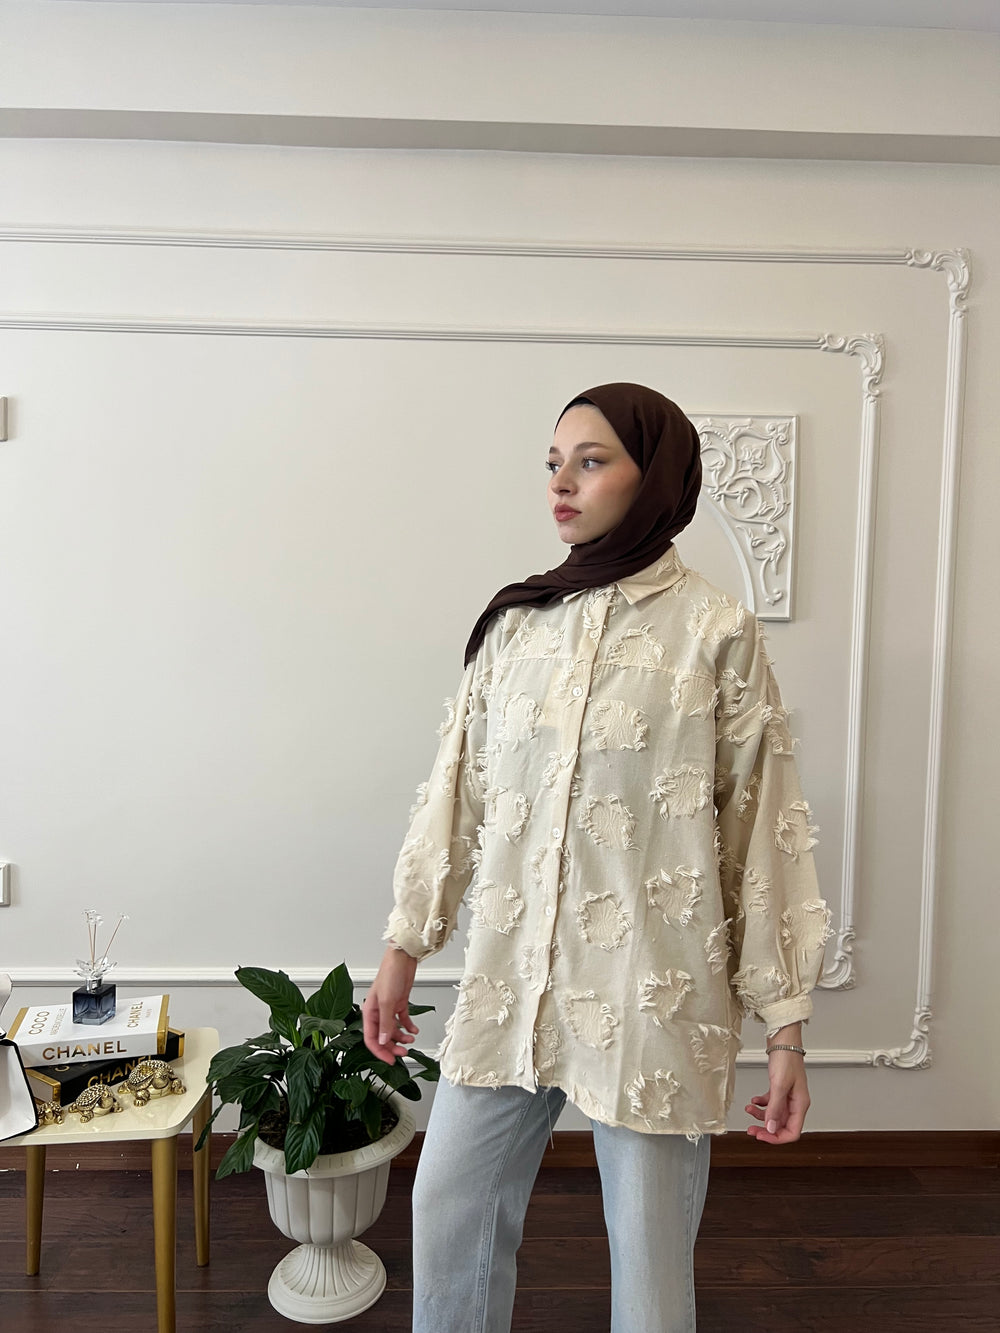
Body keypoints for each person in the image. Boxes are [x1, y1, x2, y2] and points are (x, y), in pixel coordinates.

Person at [363, 382, 831, 1333]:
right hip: (511, 981)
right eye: (553, 462)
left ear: (652, 475)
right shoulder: (516, 624)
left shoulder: (716, 633)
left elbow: (763, 830)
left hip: (653, 992)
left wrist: (786, 1027)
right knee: (447, 1205)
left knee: (649, 1264)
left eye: (591, 460)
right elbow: (458, 792)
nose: (561, 484)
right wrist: (404, 944)